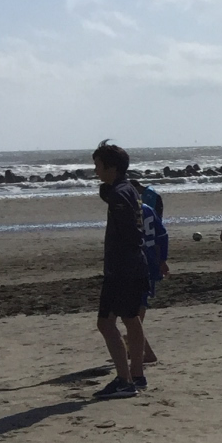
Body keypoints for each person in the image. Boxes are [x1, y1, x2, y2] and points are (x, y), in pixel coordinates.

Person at [90, 141, 150, 400]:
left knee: (106, 323)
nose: (95, 171)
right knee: (131, 318)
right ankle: (137, 374)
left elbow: (130, 232)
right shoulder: (128, 189)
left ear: (111, 167)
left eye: (98, 166)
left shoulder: (120, 194)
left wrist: (119, 261)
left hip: (123, 267)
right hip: (135, 264)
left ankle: (125, 381)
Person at [131, 174, 169, 382]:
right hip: (151, 260)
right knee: (139, 306)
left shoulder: (133, 210)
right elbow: (162, 235)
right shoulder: (149, 208)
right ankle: (139, 347)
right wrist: (163, 260)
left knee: (137, 308)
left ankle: (142, 349)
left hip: (141, 262)